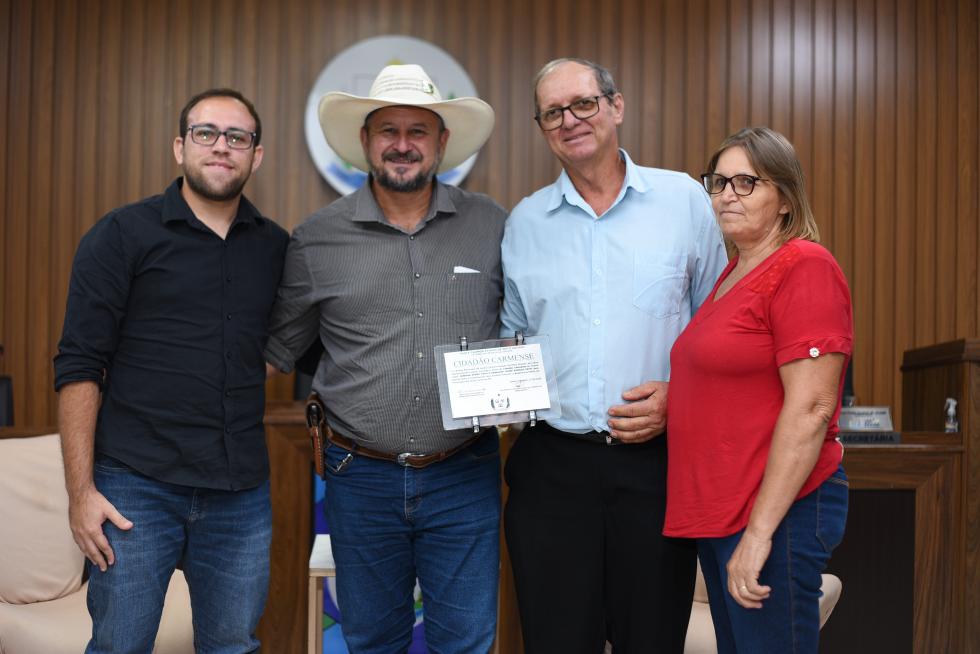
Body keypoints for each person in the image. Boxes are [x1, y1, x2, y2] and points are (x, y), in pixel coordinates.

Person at [263, 64, 506, 653]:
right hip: (359, 476)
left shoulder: (493, 225)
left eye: (417, 131)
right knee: (372, 641)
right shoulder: (316, 239)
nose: (402, 145)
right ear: (365, 142)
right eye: (388, 131)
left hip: (464, 472)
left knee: (467, 642)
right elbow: (276, 351)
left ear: (441, 142)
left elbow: (529, 323)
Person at [499, 58, 728, 654]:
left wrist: (680, 398)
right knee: (555, 641)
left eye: (583, 103)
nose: (570, 120)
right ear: (541, 127)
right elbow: (514, 338)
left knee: (651, 638)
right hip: (551, 469)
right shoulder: (524, 222)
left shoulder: (684, 201)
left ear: (616, 106)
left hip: (656, 465)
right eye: (553, 112)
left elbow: (721, 328)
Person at [54, 88, 288, 653]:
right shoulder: (121, 235)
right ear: (180, 147)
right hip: (135, 487)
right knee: (121, 645)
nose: (221, 146)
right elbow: (80, 364)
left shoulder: (277, 247)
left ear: (256, 155)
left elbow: (279, 346)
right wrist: (80, 492)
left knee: (233, 646)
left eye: (238, 137)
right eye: (206, 133)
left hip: (239, 493)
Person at [664, 126, 852, 654]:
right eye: (719, 181)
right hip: (723, 507)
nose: (727, 194)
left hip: (774, 512)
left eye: (747, 182)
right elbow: (732, 379)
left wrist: (759, 534)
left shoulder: (804, 265)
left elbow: (813, 407)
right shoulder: (733, 274)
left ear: (786, 199)